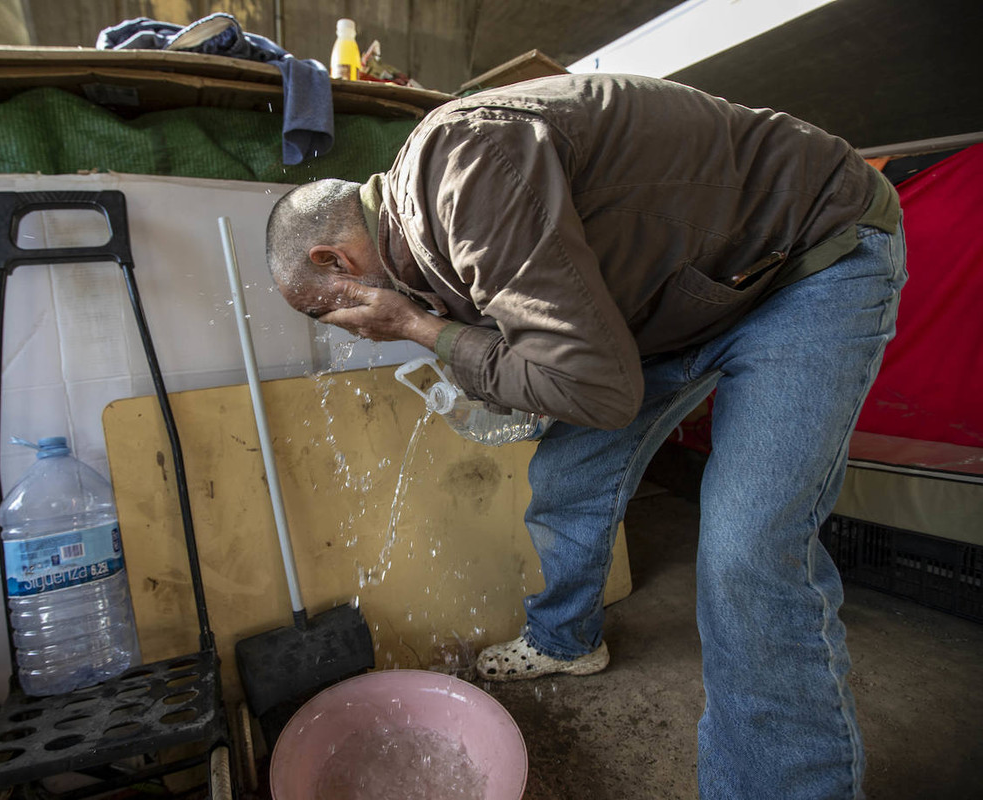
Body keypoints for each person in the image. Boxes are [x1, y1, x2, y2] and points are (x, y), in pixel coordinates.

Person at [264, 73, 904, 799]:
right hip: (685, 293)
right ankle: (564, 641)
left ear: (334, 263)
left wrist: (415, 327)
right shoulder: (424, 246)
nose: (349, 328)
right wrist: (457, 346)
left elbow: (597, 390)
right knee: (570, 475)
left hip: (806, 258)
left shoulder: (465, 177)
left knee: (747, 550)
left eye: (327, 312)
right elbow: (549, 353)